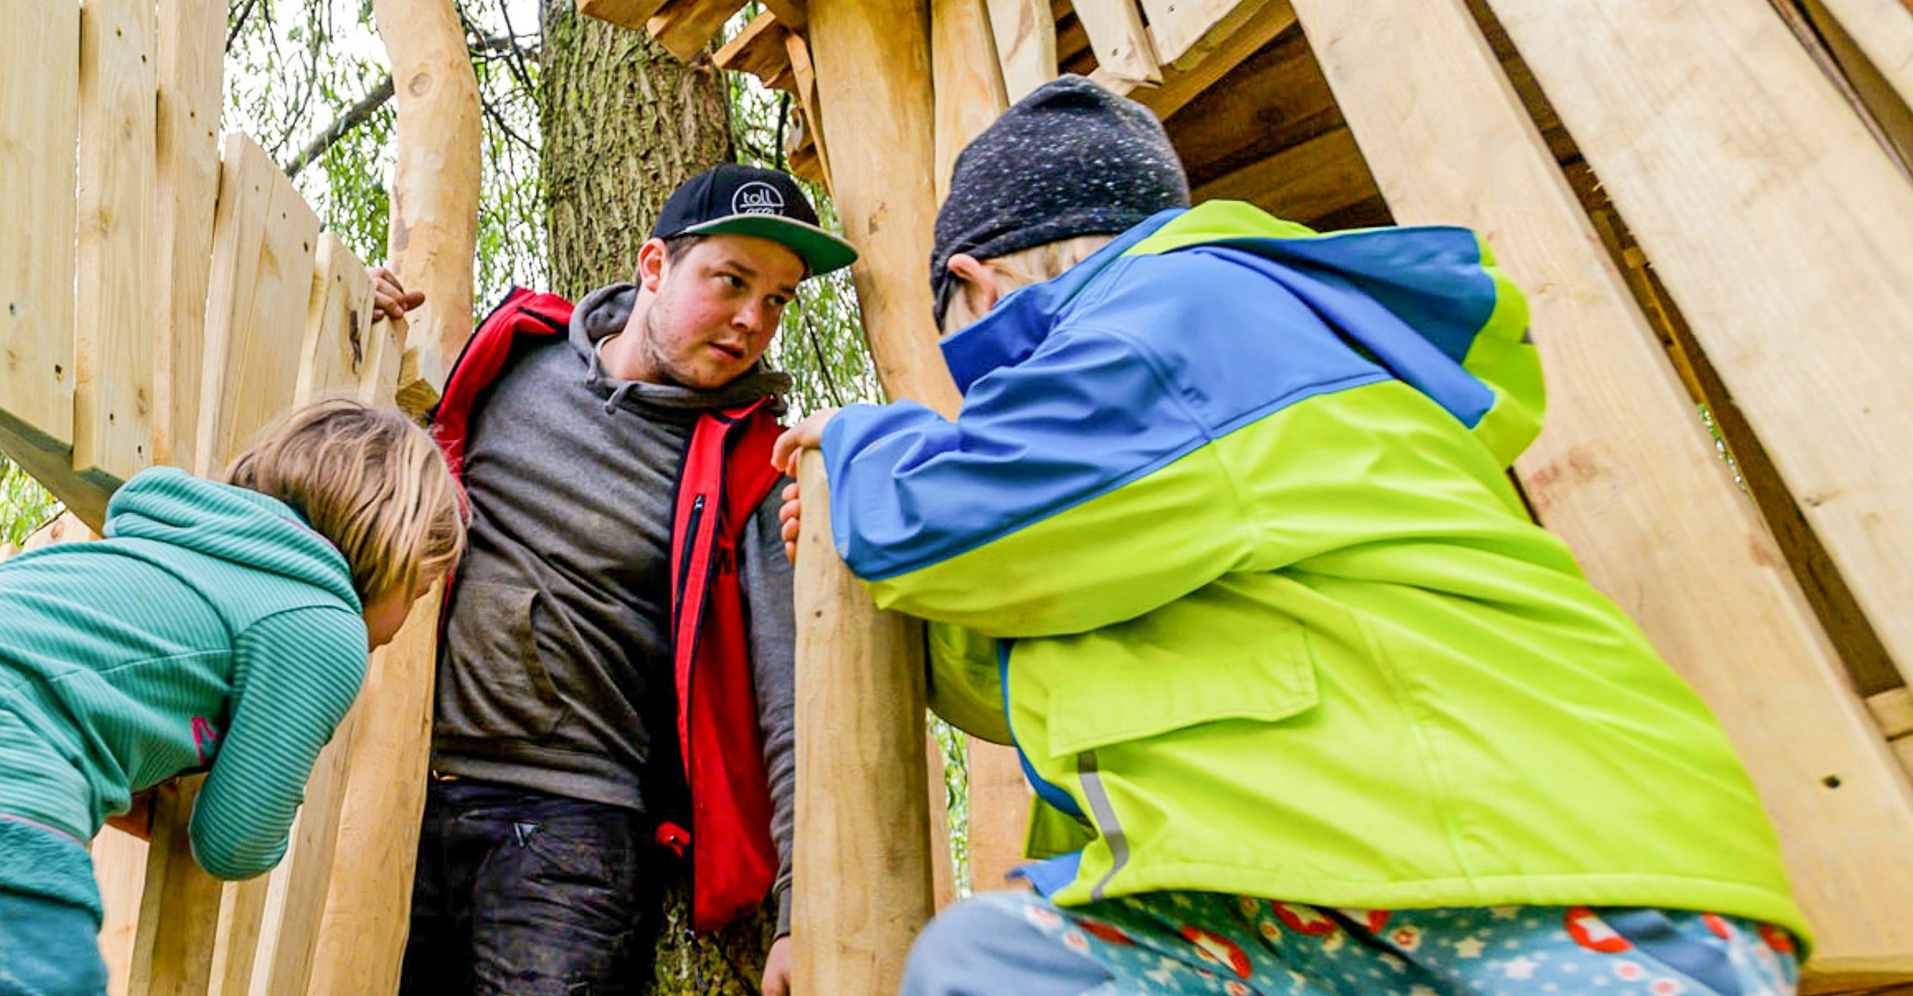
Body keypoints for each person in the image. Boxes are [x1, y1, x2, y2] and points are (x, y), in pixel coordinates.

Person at [773, 75, 1808, 996]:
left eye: (959, 347)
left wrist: (866, 449)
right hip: (1313, 906)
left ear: (977, 280)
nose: (979, 394)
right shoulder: (1135, 470)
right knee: (1000, 964)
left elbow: (956, 526)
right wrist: (872, 590)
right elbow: (1022, 641)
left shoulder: (1187, 308)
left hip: (1547, 870)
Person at [0, 396, 464, 996]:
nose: (404, 625)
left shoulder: (170, 549)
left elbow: (63, 689)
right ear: (389, 550)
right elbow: (233, 840)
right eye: (421, 590)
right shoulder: (320, 620)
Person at [402, 162, 858, 996]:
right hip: (402, 791)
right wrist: (357, 324)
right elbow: (366, 470)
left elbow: (791, 699)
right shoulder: (515, 355)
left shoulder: (756, 464)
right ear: (654, 265)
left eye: (778, 300)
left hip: (570, 840)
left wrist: (803, 913)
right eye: (732, 281)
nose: (753, 320)